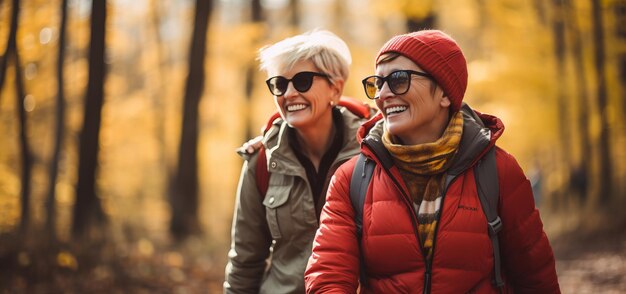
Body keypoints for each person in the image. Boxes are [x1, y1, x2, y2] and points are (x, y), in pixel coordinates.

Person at [305, 30, 560, 293]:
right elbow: (328, 276)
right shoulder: (352, 179)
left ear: (445, 94)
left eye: (398, 79)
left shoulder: (498, 171)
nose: (382, 95)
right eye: (377, 84)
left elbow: (536, 279)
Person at [224, 30, 372, 294]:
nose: (289, 93)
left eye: (302, 81)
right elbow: (245, 262)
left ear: (335, 88)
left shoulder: (373, 153)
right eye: (279, 84)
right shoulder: (261, 162)